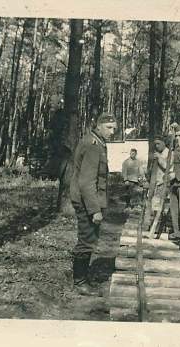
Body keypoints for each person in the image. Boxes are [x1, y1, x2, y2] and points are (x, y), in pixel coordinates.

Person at [69, 113, 117, 295]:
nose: (112, 132)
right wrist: (95, 210)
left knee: (89, 238)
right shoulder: (93, 145)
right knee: (87, 239)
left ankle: (83, 277)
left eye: (114, 129)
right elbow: (87, 182)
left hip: (89, 199)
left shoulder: (97, 142)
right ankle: (80, 281)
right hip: (86, 200)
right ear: (98, 126)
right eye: (109, 128)